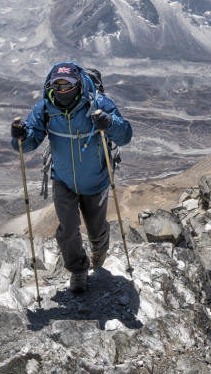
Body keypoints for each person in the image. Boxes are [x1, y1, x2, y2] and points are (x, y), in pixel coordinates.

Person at [9, 62, 132, 294]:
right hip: (63, 179)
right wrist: (20, 137)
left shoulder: (99, 104)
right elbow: (29, 142)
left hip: (96, 179)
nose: (63, 88)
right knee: (67, 229)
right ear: (51, 84)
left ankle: (99, 249)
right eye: (58, 84)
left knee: (95, 230)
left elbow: (125, 135)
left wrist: (109, 123)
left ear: (78, 84)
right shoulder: (45, 109)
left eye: (69, 84)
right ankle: (78, 270)